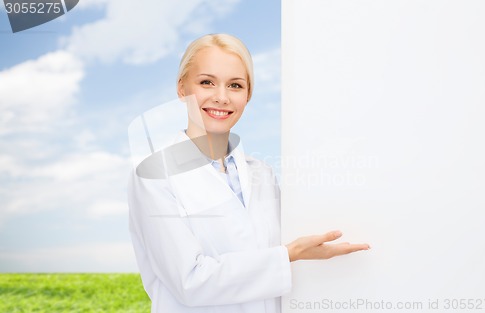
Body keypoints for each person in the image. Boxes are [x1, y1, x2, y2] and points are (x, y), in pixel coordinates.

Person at [128, 33, 370, 313]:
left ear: (248, 94)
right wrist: (289, 255)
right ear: (182, 88)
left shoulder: (262, 174)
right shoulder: (154, 175)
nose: (221, 97)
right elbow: (189, 281)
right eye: (207, 82)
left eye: (235, 85)